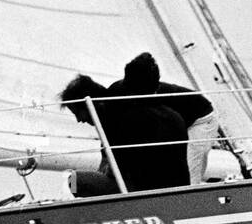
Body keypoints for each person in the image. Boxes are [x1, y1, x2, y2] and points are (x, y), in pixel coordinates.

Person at [59, 74, 189, 192]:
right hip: (165, 182)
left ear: (91, 104)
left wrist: (108, 171)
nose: (79, 120)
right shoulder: (121, 114)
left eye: (78, 113)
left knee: (74, 180)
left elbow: (120, 169)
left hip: (142, 187)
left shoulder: (116, 122)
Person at [110, 53, 217, 184]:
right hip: (183, 120)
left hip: (201, 120)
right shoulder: (117, 92)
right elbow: (109, 123)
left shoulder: (155, 97)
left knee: (191, 172)